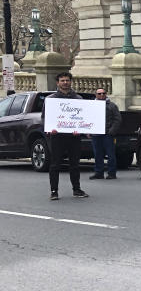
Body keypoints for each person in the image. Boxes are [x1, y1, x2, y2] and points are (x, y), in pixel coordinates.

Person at [43, 71, 89, 200]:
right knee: (55, 164)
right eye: (62, 80)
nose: (65, 83)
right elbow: (45, 118)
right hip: (57, 136)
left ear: (70, 82)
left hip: (74, 137)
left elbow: (83, 118)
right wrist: (49, 129)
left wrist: (80, 129)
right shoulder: (51, 99)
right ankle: (54, 191)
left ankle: (77, 189)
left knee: (74, 164)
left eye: (67, 80)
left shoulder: (78, 99)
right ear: (58, 83)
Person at [89, 87, 122, 179]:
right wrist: (88, 131)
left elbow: (117, 119)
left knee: (110, 155)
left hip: (108, 134)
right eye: (99, 94)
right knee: (97, 154)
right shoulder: (91, 105)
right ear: (96, 95)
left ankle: (111, 173)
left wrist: (112, 131)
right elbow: (88, 118)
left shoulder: (112, 106)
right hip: (95, 134)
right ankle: (98, 173)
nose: (102, 95)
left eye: (103, 93)